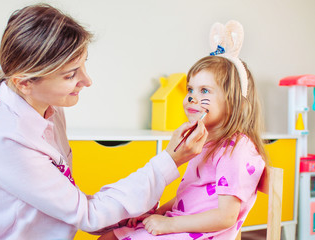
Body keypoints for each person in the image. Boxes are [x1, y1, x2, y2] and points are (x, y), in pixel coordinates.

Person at [0, 4, 208, 239]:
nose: (87, 81)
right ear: (25, 82)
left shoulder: (45, 106)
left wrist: (123, 216)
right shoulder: (6, 140)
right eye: (70, 75)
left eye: (83, 64)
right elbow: (88, 214)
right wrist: (170, 161)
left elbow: (69, 200)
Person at [100, 21, 267, 240]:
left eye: (204, 90)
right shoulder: (204, 142)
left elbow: (226, 217)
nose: (192, 98)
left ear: (236, 104)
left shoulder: (237, 150)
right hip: (181, 222)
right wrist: (155, 213)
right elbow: (187, 196)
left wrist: (168, 224)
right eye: (190, 89)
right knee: (111, 236)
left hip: (203, 234)